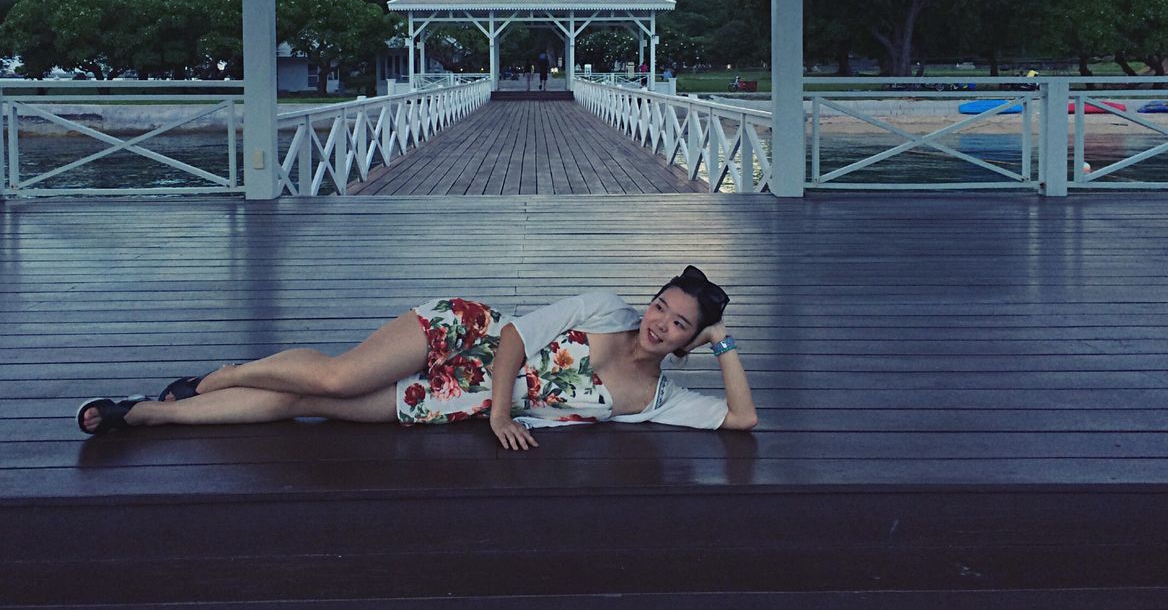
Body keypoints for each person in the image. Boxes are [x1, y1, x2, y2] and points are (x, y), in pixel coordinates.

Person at [77, 266, 759, 449]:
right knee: (338, 374)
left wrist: (722, 342)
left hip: (453, 399)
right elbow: (517, 335)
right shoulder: (607, 307)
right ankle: (215, 377)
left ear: (690, 337)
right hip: (468, 338)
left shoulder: (658, 400)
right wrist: (499, 414)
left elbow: (741, 420)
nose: (660, 324)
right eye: (661, 307)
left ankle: (147, 416)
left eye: (680, 324)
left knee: (314, 402)